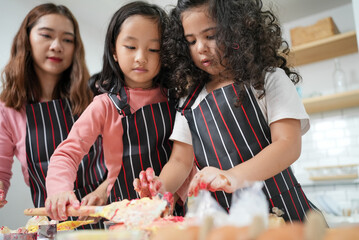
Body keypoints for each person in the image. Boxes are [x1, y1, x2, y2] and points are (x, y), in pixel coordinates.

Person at [134, 0, 322, 223]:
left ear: (239, 30)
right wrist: (159, 189)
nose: (200, 48)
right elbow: (180, 161)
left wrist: (231, 176)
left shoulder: (268, 79)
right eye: (191, 41)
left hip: (284, 213)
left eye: (210, 36)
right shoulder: (189, 100)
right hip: (226, 222)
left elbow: (287, 145)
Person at [45, 1, 192, 221]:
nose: (141, 57)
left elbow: (182, 160)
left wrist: (158, 196)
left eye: (154, 49)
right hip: (123, 216)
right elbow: (68, 153)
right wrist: (59, 190)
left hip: (174, 210)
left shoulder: (178, 98)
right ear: (114, 50)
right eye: (131, 47)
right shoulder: (104, 105)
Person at [0, 3, 108, 229]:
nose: (57, 46)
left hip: (107, 218)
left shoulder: (96, 96)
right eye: (46, 35)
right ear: (26, 39)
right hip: (53, 227)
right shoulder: (8, 108)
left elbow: (122, 159)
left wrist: (103, 191)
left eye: (67, 40)